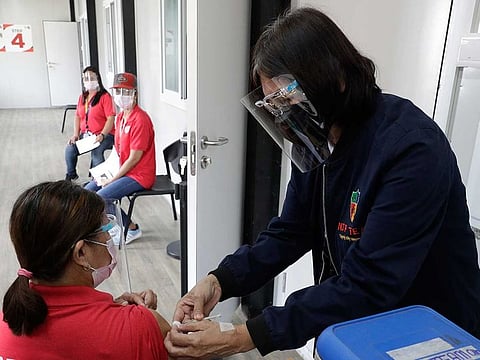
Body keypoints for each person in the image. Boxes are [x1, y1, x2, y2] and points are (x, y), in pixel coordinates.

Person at [164, 7, 480, 358]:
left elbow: (369, 283)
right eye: (274, 104)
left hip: (430, 332)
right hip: (356, 328)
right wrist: (219, 281)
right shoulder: (317, 140)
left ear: (334, 77)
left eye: (287, 98)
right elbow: (290, 231)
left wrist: (241, 336)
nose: (284, 114)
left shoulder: (411, 149)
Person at [0, 181, 170, 359]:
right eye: (106, 229)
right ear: (81, 253)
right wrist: (131, 320)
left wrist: (110, 311)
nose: (109, 238)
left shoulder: (9, 321)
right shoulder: (140, 329)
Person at [84, 72, 156, 244]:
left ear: (135, 94)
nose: (122, 97)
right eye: (118, 92)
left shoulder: (141, 120)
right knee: (87, 191)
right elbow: (118, 151)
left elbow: (133, 158)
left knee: (102, 197)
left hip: (139, 175)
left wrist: (113, 179)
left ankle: (130, 228)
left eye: (126, 92)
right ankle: (101, 227)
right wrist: (104, 172)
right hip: (123, 170)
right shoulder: (122, 117)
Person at [65, 66, 116, 181]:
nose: (89, 81)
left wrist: (102, 135)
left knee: (97, 151)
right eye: (86, 79)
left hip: (105, 135)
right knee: (70, 148)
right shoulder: (83, 97)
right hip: (87, 135)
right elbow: (78, 116)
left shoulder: (105, 97)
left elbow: (110, 118)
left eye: (92, 78)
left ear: (98, 78)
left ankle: (99, 180)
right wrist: (76, 134)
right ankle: (71, 175)